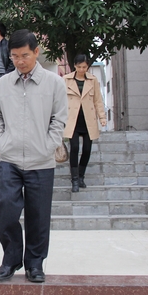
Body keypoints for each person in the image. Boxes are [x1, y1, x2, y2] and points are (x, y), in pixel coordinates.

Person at [0, 29, 67, 283]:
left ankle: (35, 264)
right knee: (6, 210)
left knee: (38, 215)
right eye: (14, 56)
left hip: (41, 160)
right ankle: (11, 260)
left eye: (24, 55)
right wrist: (2, 142)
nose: (19, 61)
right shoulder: (2, 84)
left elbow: (59, 119)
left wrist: (48, 145)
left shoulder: (54, 83)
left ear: (36, 52)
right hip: (10, 159)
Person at [63, 54, 107, 192]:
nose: (82, 69)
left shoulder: (92, 80)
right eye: (79, 67)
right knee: (74, 148)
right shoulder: (66, 80)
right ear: (74, 66)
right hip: (72, 119)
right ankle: (74, 179)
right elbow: (59, 100)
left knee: (87, 149)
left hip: (88, 119)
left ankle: (81, 176)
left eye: (84, 67)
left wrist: (102, 117)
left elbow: (98, 100)